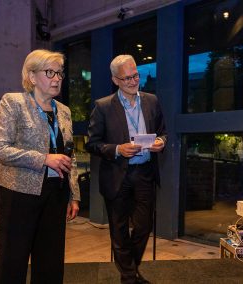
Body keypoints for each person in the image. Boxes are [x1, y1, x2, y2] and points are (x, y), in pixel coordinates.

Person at [0, 49, 80, 284]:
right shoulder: (13, 103)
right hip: (19, 195)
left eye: (59, 73)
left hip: (56, 194)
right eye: (50, 72)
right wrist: (43, 158)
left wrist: (74, 195)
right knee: (12, 262)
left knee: (50, 263)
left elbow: (71, 155)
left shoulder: (65, 111)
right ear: (31, 76)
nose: (57, 78)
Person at [86, 54, 167, 284]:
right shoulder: (102, 107)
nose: (133, 81)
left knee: (143, 226)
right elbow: (93, 143)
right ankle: (129, 276)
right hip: (116, 176)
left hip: (145, 174)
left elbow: (163, 132)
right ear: (115, 80)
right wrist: (117, 149)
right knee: (119, 230)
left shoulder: (152, 101)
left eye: (136, 75)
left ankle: (129, 269)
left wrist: (161, 143)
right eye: (127, 78)